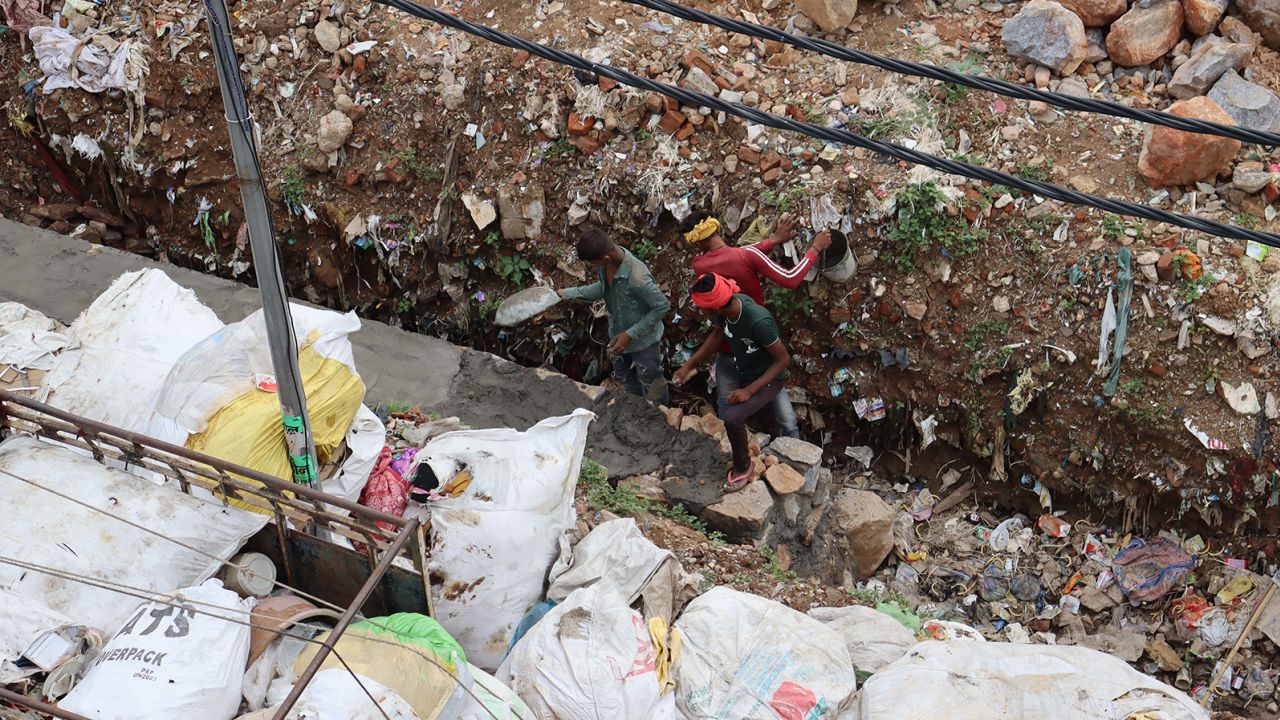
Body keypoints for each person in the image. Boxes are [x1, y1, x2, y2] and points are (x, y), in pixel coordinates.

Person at [682, 210, 830, 439]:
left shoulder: (700, 266)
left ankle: (736, 453)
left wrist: (773, 241)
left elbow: (738, 256)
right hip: (758, 347)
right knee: (784, 417)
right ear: (718, 228)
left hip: (728, 347)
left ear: (696, 242)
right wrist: (816, 248)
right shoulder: (747, 257)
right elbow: (790, 279)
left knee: (728, 413)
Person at [673, 273, 792, 492]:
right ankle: (773, 449)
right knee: (767, 415)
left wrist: (749, 390)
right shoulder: (726, 312)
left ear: (715, 308)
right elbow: (719, 336)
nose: (701, 312)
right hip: (747, 372)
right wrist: (689, 365)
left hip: (768, 378)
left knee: (733, 418)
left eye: (702, 308)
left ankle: (743, 467)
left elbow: (783, 360)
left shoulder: (757, 320)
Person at [560, 226, 671, 403]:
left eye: (592, 262)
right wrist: (568, 294)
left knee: (653, 384)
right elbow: (602, 289)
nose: (591, 266)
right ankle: (634, 408)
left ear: (605, 257)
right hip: (617, 336)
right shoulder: (606, 265)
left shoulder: (638, 278)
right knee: (628, 380)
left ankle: (661, 420)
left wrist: (630, 334)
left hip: (644, 343)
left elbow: (661, 307)